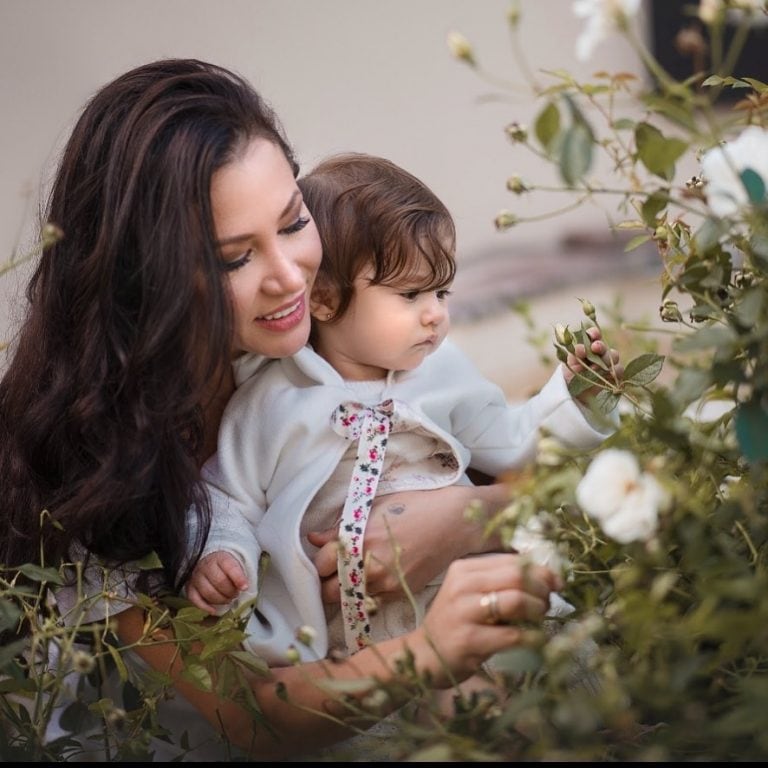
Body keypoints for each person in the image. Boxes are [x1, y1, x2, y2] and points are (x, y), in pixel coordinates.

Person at [0, 59, 572, 762]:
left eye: (294, 220)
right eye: (235, 258)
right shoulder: (95, 463)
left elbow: (526, 456)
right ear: (150, 277)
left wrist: (463, 517)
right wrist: (430, 649)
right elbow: (252, 717)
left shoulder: (320, 348)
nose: (290, 275)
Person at [184, 154, 621, 669]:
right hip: (360, 638)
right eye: (411, 293)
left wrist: (572, 400)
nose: (435, 313)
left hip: (470, 587)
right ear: (324, 299)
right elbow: (226, 498)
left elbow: (513, 439)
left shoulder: (442, 374)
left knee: (549, 679)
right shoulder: (272, 403)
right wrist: (223, 556)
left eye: (441, 290)